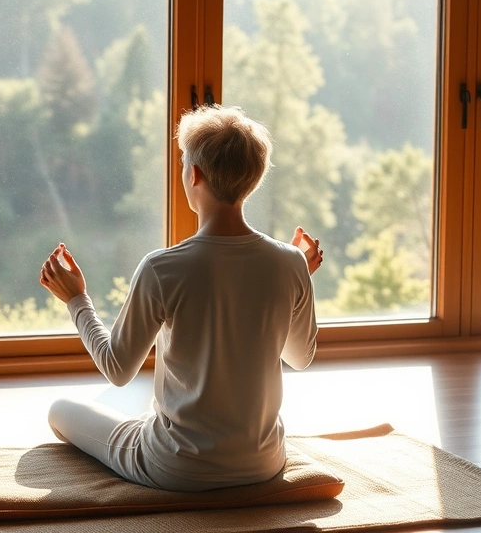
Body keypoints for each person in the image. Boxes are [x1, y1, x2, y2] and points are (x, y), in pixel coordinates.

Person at [38, 104, 323, 492]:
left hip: (176, 469)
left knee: (60, 411)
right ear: (253, 180)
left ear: (194, 175)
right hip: (264, 463)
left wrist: (76, 299)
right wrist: (295, 281)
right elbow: (299, 357)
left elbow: (117, 369)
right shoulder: (290, 263)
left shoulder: (162, 268)